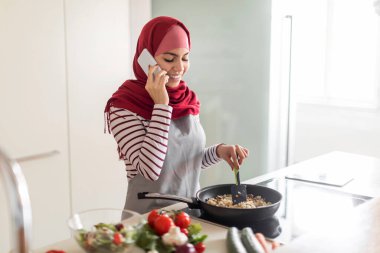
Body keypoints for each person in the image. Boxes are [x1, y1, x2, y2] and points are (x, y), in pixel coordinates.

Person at [104, 16, 249, 215]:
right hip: (146, 222)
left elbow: (185, 161)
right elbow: (151, 170)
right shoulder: (124, 106)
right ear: (146, 58)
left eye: (185, 58)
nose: (179, 67)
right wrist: (161, 105)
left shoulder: (186, 99)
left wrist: (218, 151)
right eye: (169, 59)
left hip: (191, 215)